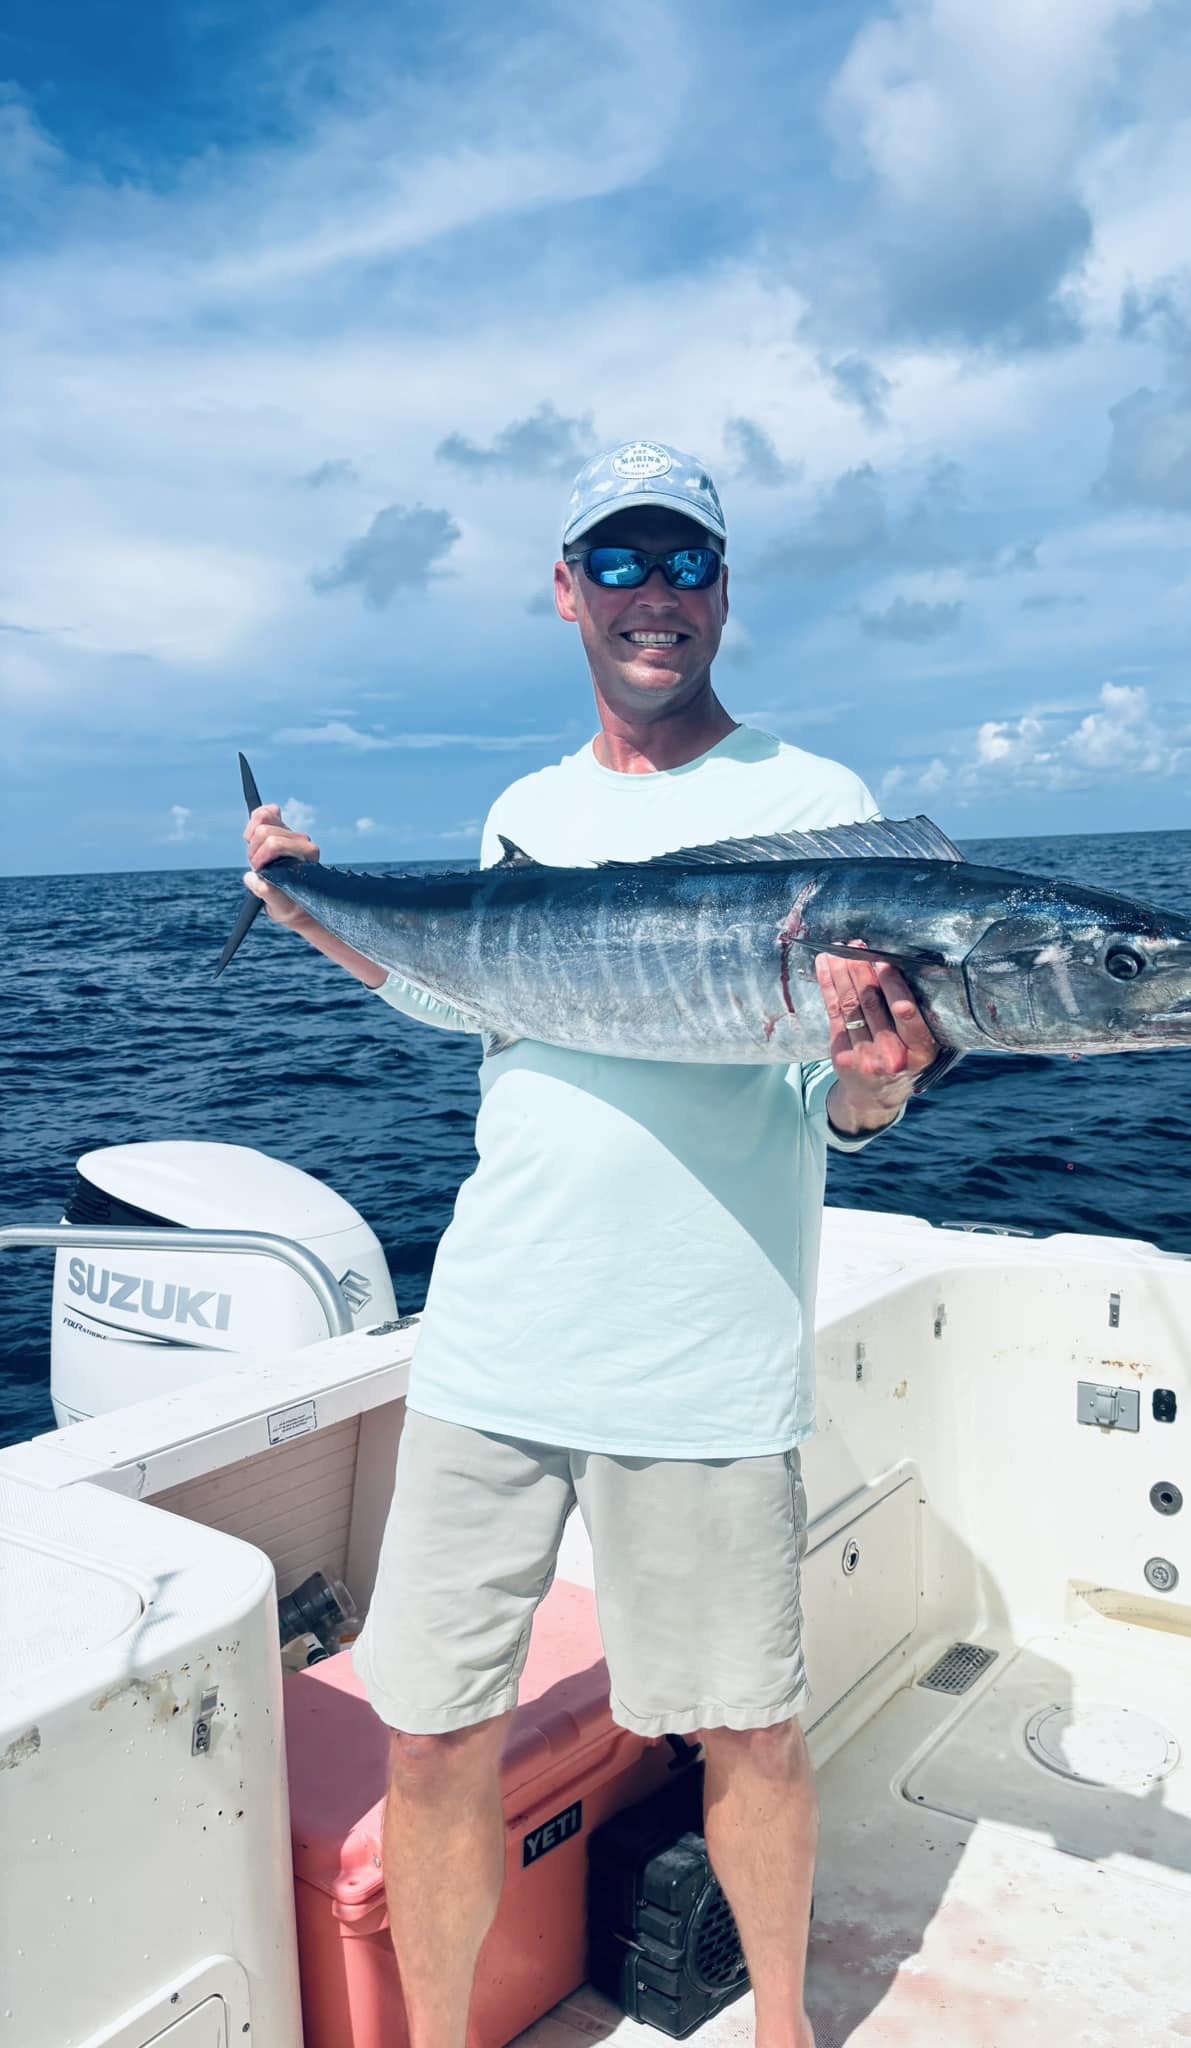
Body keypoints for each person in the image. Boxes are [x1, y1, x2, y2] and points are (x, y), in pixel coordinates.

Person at [243, 439, 939, 2048]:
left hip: (704, 1354)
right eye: (616, 565)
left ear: (720, 593)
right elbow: (469, 994)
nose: (652, 597)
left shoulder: (815, 807)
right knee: (429, 1735)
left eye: (681, 563)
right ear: (567, 592)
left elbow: (843, 1113)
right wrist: (306, 904)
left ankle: (783, 2040)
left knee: (750, 1733)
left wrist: (873, 1086)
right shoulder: (524, 813)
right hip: (494, 1345)